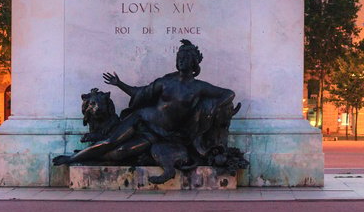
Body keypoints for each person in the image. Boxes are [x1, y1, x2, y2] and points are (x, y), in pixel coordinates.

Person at [52, 39, 240, 183]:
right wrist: (119, 84)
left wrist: (214, 106)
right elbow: (141, 93)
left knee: (121, 152)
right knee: (110, 141)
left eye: (185, 58)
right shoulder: (166, 81)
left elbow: (228, 94)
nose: (181, 61)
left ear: (194, 63)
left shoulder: (199, 87)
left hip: (159, 134)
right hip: (141, 119)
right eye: (179, 58)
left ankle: (88, 157)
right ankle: (72, 158)